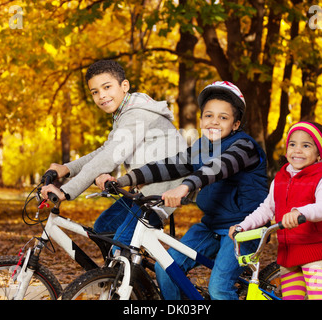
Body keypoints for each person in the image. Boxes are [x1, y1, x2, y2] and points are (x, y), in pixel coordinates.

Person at [115, 81, 269, 300]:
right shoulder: (202, 146)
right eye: (208, 115)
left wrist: (185, 186)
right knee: (167, 270)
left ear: (236, 124)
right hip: (211, 226)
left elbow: (218, 167)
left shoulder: (245, 147)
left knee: (219, 289)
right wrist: (126, 179)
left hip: (243, 229)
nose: (214, 121)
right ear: (201, 120)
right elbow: (169, 165)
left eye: (223, 117)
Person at [41, 60, 187, 245]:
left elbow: (109, 157)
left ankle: (127, 271)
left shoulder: (136, 114)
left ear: (124, 86)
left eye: (107, 87)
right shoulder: (124, 113)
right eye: (95, 92)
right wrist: (66, 168)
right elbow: (106, 150)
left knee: (123, 240)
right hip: (147, 187)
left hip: (166, 187)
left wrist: (65, 191)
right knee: (104, 227)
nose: (102, 95)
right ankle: (126, 272)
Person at [229, 121, 322, 300]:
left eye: (306, 145)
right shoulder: (280, 178)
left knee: (317, 296)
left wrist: (300, 212)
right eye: (292, 144)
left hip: (316, 252)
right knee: (291, 297)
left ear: (319, 154)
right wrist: (243, 226)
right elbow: (267, 208)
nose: (297, 150)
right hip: (289, 254)